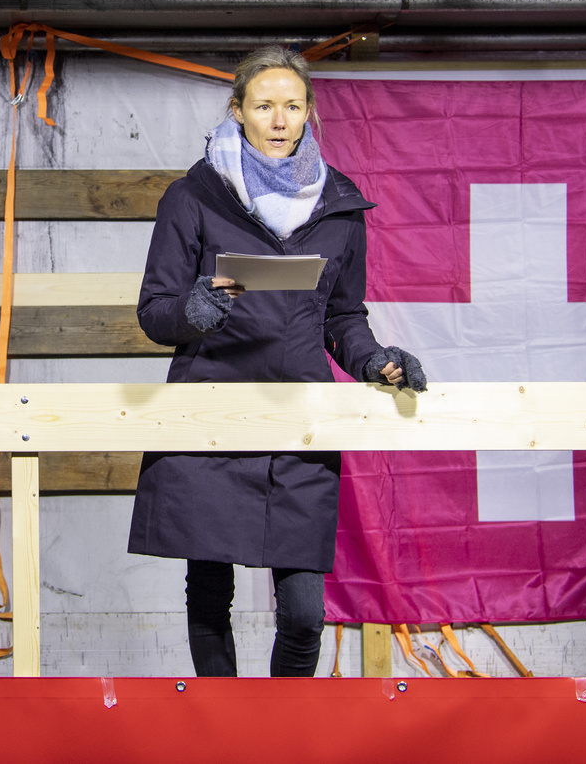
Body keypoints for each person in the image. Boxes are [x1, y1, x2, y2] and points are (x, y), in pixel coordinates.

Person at [127, 46, 427, 678]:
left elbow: (342, 317)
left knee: (303, 614)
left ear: (309, 111)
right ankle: (223, 721)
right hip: (211, 415)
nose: (280, 119)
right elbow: (155, 311)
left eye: (292, 105)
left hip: (300, 423)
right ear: (238, 111)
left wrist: (375, 361)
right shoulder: (193, 197)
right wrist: (193, 310)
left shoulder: (339, 205)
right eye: (264, 106)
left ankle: (283, 725)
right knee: (210, 594)